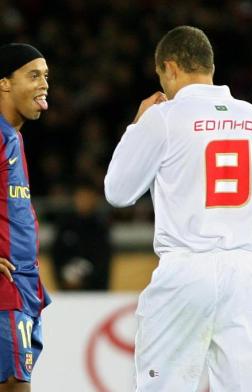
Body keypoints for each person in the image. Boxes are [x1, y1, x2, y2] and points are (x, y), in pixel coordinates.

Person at [105, 26, 252, 391]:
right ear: (209, 66)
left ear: (169, 68)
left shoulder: (165, 117)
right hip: (247, 273)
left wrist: (137, 125)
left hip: (186, 268)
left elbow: (117, 191)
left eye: (161, 76)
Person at [0, 43, 51, 392]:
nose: (44, 84)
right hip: (6, 291)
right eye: (33, 75)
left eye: (46, 76)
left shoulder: (14, 138)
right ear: (4, 83)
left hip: (24, 285)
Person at [51, 180, 111, 290]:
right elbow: (56, 255)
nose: (83, 200)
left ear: (94, 199)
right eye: (80, 196)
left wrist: (87, 281)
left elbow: (103, 259)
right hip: (66, 289)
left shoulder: (100, 226)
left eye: (87, 196)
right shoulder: (65, 225)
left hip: (95, 292)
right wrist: (62, 280)